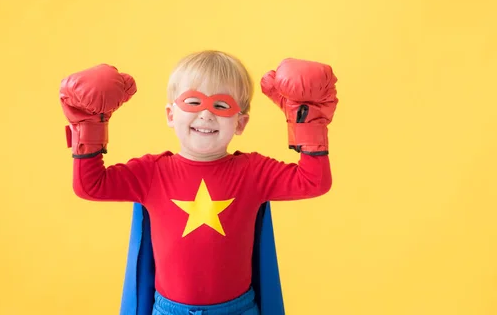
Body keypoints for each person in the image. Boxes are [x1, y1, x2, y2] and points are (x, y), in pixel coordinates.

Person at [59, 50, 338, 315]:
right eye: (193, 102)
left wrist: (308, 123)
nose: (206, 114)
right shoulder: (151, 172)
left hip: (238, 310)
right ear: (171, 115)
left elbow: (314, 181)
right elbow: (90, 185)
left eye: (221, 105)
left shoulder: (253, 171)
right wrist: (90, 127)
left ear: (240, 123)